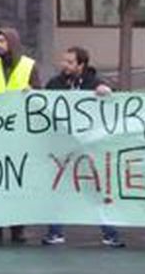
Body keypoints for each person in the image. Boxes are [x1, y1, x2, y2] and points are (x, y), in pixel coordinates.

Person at [40, 46, 125, 249]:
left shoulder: (96, 84)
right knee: (57, 189)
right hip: (62, 147)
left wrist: (107, 93)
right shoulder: (55, 84)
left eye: (70, 62)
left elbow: (114, 103)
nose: (65, 65)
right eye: (64, 61)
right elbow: (42, 104)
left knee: (94, 190)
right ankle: (55, 232)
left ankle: (110, 233)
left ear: (81, 64)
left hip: (88, 149)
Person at [0, 26, 39, 244]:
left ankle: (18, 228)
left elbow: (40, 94)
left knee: (17, 181)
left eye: (2, 42)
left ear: (12, 43)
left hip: (19, 133)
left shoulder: (29, 66)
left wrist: (33, 92)